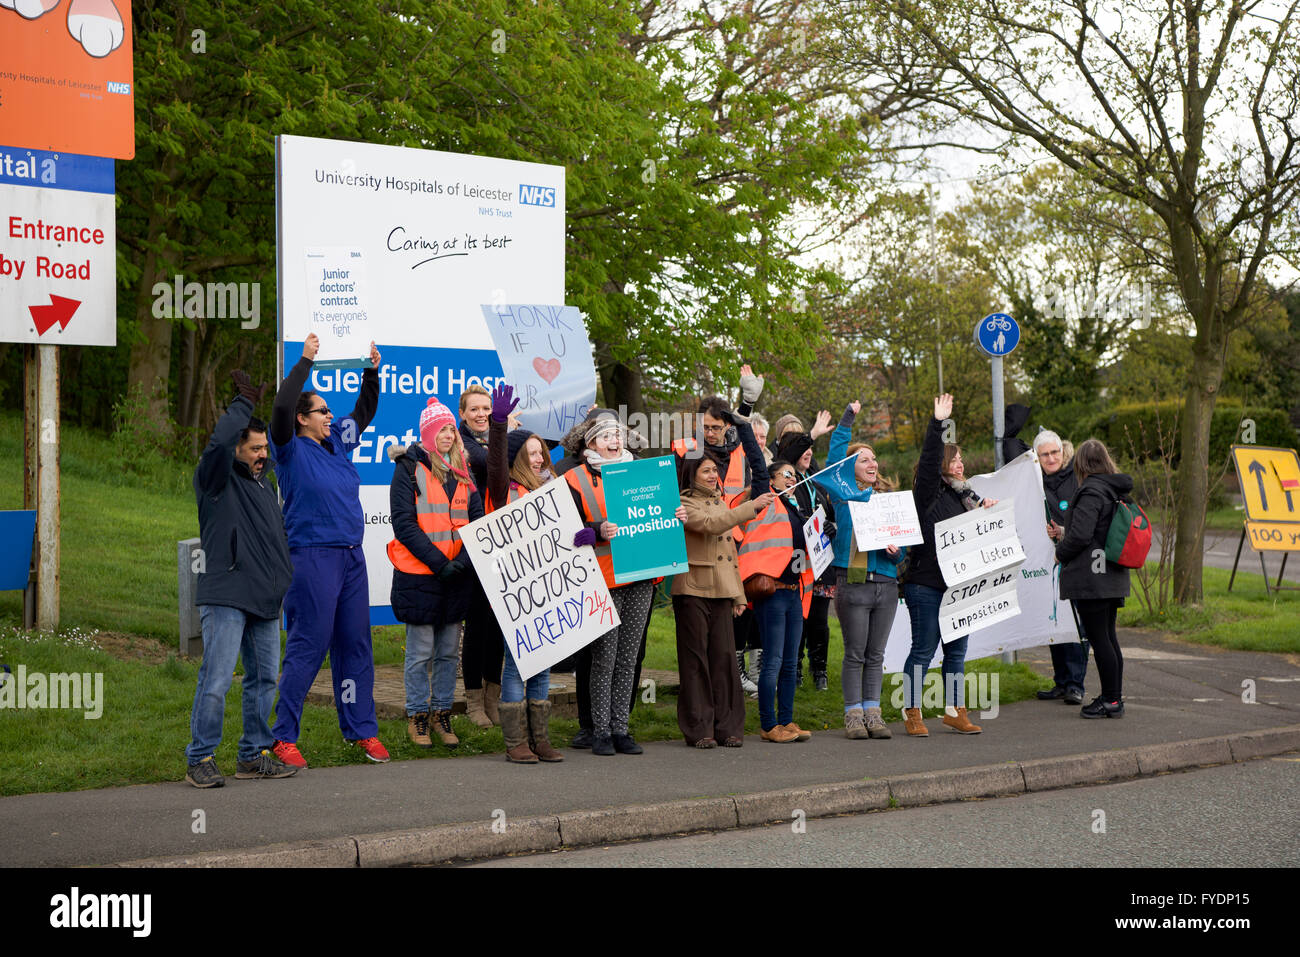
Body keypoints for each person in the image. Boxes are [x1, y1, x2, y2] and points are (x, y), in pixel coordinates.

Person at [269, 334, 389, 767]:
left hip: (351, 557)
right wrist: (304, 362)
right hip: (311, 555)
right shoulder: (287, 447)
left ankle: (360, 731)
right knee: (309, 644)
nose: (330, 415)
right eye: (322, 410)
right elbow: (281, 406)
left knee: (355, 644)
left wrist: (371, 372)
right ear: (303, 419)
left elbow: (364, 411)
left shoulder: (337, 440)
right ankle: (283, 737)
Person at [185, 372, 297, 787]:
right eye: (254, 449)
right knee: (216, 679)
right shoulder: (216, 478)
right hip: (227, 596)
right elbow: (216, 443)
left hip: (266, 599)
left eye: (265, 448)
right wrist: (243, 403)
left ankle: (252, 754)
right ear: (236, 450)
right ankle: (200, 756)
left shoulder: (265, 486)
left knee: (265, 678)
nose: (262, 455)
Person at [387, 397, 484, 751]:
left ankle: (443, 714)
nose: (447, 434)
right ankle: (417, 718)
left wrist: (463, 561)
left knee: (447, 653)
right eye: (440, 429)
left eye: (450, 429)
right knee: (420, 653)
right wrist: (439, 563)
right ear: (427, 433)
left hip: (457, 575)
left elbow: (476, 520)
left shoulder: (464, 471)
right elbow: (404, 524)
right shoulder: (408, 468)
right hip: (421, 577)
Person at [900, 393, 997, 737]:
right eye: (954, 459)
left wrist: (990, 516)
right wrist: (937, 424)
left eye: (961, 460)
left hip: (959, 588)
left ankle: (954, 711)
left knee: (956, 651)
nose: (960, 464)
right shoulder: (927, 493)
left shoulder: (965, 498)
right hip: (925, 583)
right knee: (924, 649)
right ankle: (912, 711)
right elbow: (928, 462)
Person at [565, 413, 657, 755]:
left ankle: (621, 729)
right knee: (604, 658)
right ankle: (599, 731)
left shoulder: (643, 473)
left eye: (618, 435)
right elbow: (566, 532)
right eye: (606, 436)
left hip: (641, 576)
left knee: (629, 658)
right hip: (602, 579)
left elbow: (657, 517)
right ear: (590, 444)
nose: (615, 441)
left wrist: (673, 516)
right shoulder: (574, 478)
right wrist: (593, 529)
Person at [485, 383, 566, 763]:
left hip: (548, 588)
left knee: (544, 664)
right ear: (518, 458)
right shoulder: (504, 489)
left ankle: (540, 738)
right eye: (531, 453)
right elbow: (496, 461)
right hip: (515, 590)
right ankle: (515, 742)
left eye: (541, 452)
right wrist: (499, 424)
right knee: (517, 664)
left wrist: (585, 533)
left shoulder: (553, 489)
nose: (538, 459)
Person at [674, 450, 774, 747]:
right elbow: (711, 525)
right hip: (692, 590)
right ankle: (699, 729)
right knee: (696, 663)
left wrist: (738, 595)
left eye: (714, 470)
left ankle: (728, 727)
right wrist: (751, 507)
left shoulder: (720, 502)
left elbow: (731, 557)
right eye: (706, 471)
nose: (712, 475)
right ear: (692, 474)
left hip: (722, 593)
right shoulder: (683, 503)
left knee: (725, 660)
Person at [826, 400, 904, 740]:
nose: (872, 463)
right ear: (850, 469)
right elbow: (833, 457)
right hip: (853, 584)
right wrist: (848, 419)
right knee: (855, 653)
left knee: (876, 654)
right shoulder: (844, 495)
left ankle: (874, 712)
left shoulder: (889, 500)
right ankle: (853, 716)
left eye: (874, 458)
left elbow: (905, 553)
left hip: (886, 585)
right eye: (864, 459)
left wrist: (897, 551)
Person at [1055, 439, 1133, 718]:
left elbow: (1081, 535)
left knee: (1100, 640)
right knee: (1109, 638)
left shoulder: (1090, 491)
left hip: (1092, 578)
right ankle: (1113, 698)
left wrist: (1060, 553)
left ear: (1081, 464)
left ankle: (1111, 700)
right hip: (1111, 573)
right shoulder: (1115, 489)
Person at [742, 456, 817, 743]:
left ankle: (786, 721)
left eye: (793, 476)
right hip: (771, 593)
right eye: (785, 474)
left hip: (793, 593)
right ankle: (768, 724)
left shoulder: (796, 509)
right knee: (772, 660)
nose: (791, 479)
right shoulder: (766, 502)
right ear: (771, 480)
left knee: (789, 661)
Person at [776, 428, 837, 690]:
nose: (808, 452)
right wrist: (811, 435)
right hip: (798, 563)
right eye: (802, 448)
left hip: (822, 563)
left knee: (820, 621)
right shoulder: (788, 485)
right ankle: (795, 669)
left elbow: (828, 516)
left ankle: (820, 669)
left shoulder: (817, 485)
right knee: (799, 618)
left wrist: (831, 526)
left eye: (810, 450)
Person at [1034, 429, 1089, 705]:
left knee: (1076, 623)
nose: (1051, 458)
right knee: (1054, 620)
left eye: (1055, 452)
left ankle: (1076, 684)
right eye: (1045, 454)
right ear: (1037, 458)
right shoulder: (1034, 481)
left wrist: (1063, 532)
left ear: (1062, 452)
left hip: (1076, 560)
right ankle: (1061, 681)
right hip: (1047, 563)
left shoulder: (1077, 479)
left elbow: (1086, 524)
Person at [458, 383, 501, 729]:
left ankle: (493, 697)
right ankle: (473, 700)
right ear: (463, 414)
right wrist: (506, 430)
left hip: (505, 540)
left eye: (487, 408)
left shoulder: (496, 437)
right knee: (476, 625)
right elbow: (491, 464)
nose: (482, 414)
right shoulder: (462, 444)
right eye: (475, 409)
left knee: (499, 623)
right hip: (475, 542)